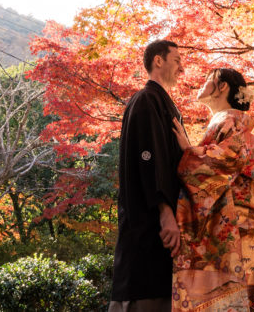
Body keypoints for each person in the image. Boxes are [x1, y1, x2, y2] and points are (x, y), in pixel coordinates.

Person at [171, 68, 254, 312]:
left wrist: (189, 152)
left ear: (222, 86)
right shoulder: (230, 122)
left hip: (242, 232)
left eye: (207, 80)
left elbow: (227, 161)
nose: (201, 84)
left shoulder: (228, 120)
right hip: (248, 229)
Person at [109, 39, 187, 312]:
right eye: (177, 60)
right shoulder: (145, 100)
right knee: (144, 297)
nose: (182, 67)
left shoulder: (162, 103)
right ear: (158, 60)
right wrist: (166, 213)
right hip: (150, 226)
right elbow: (149, 161)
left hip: (164, 236)